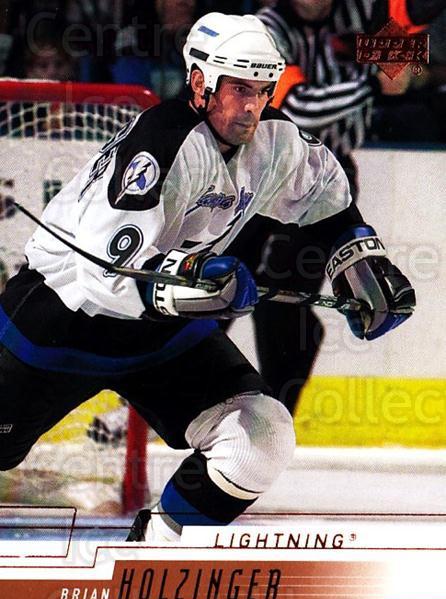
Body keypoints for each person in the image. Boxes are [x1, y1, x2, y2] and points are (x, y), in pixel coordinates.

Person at [0, 13, 415, 543]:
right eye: (239, 89)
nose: (252, 107)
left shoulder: (275, 143)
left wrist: (359, 260)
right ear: (200, 83)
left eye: (262, 90)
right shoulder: (161, 142)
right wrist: (194, 279)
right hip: (60, 320)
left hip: (157, 334)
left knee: (260, 435)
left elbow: (326, 199)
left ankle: (154, 553)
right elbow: (105, 273)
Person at [223, 0, 445, 414]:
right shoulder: (267, 28)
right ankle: (171, 395)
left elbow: (410, 51)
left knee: (282, 300)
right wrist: (374, 83)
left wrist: (405, 64)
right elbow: (297, 108)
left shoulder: (364, 13)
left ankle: (274, 417)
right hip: (256, 176)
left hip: (326, 182)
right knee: (215, 290)